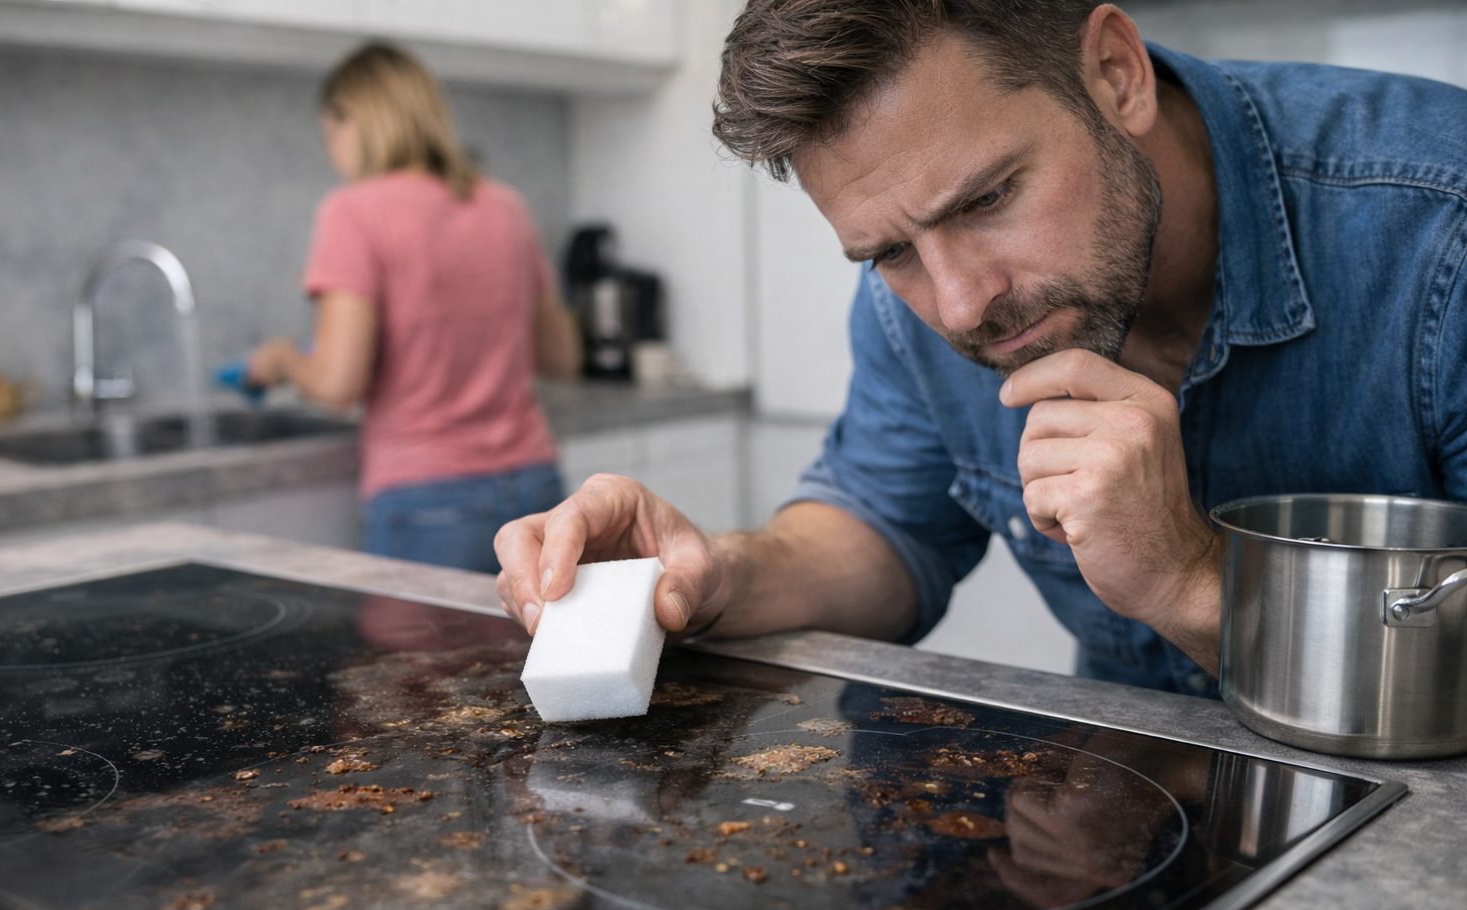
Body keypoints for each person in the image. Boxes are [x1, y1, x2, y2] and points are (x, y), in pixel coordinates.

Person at [494, 1, 1467, 695]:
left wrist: (1189, 582)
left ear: (1115, 75)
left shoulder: (1441, 237)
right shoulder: (915, 300)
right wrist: (713, 572)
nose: (962, 303)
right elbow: (884, 525)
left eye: (988, 198)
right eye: (887, 251)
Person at [248, 43, 577, 573]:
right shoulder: (508, 207)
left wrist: (282, 359)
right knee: (538, 654)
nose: (331, 149)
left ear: (353, 120)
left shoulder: (352, 212)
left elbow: (337, 383)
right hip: (535, 486)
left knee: (427, 660)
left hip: (428, 499)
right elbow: (560, 355)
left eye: (329, 132)